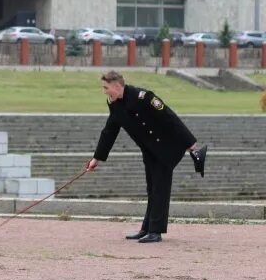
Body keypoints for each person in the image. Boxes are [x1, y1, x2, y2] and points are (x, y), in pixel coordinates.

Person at [86, 70, 208, 244]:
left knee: (160, 188)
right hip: (149, 150)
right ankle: (147, 228)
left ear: (117, 85)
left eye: (106, 87)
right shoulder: (114, 104)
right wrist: (96, 159)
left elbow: (169, 117)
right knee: (152, 188)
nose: (104, 91)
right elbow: (109, 131)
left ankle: (155, 231)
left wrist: (191, 145)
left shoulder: (143, 97)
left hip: (166, 147)